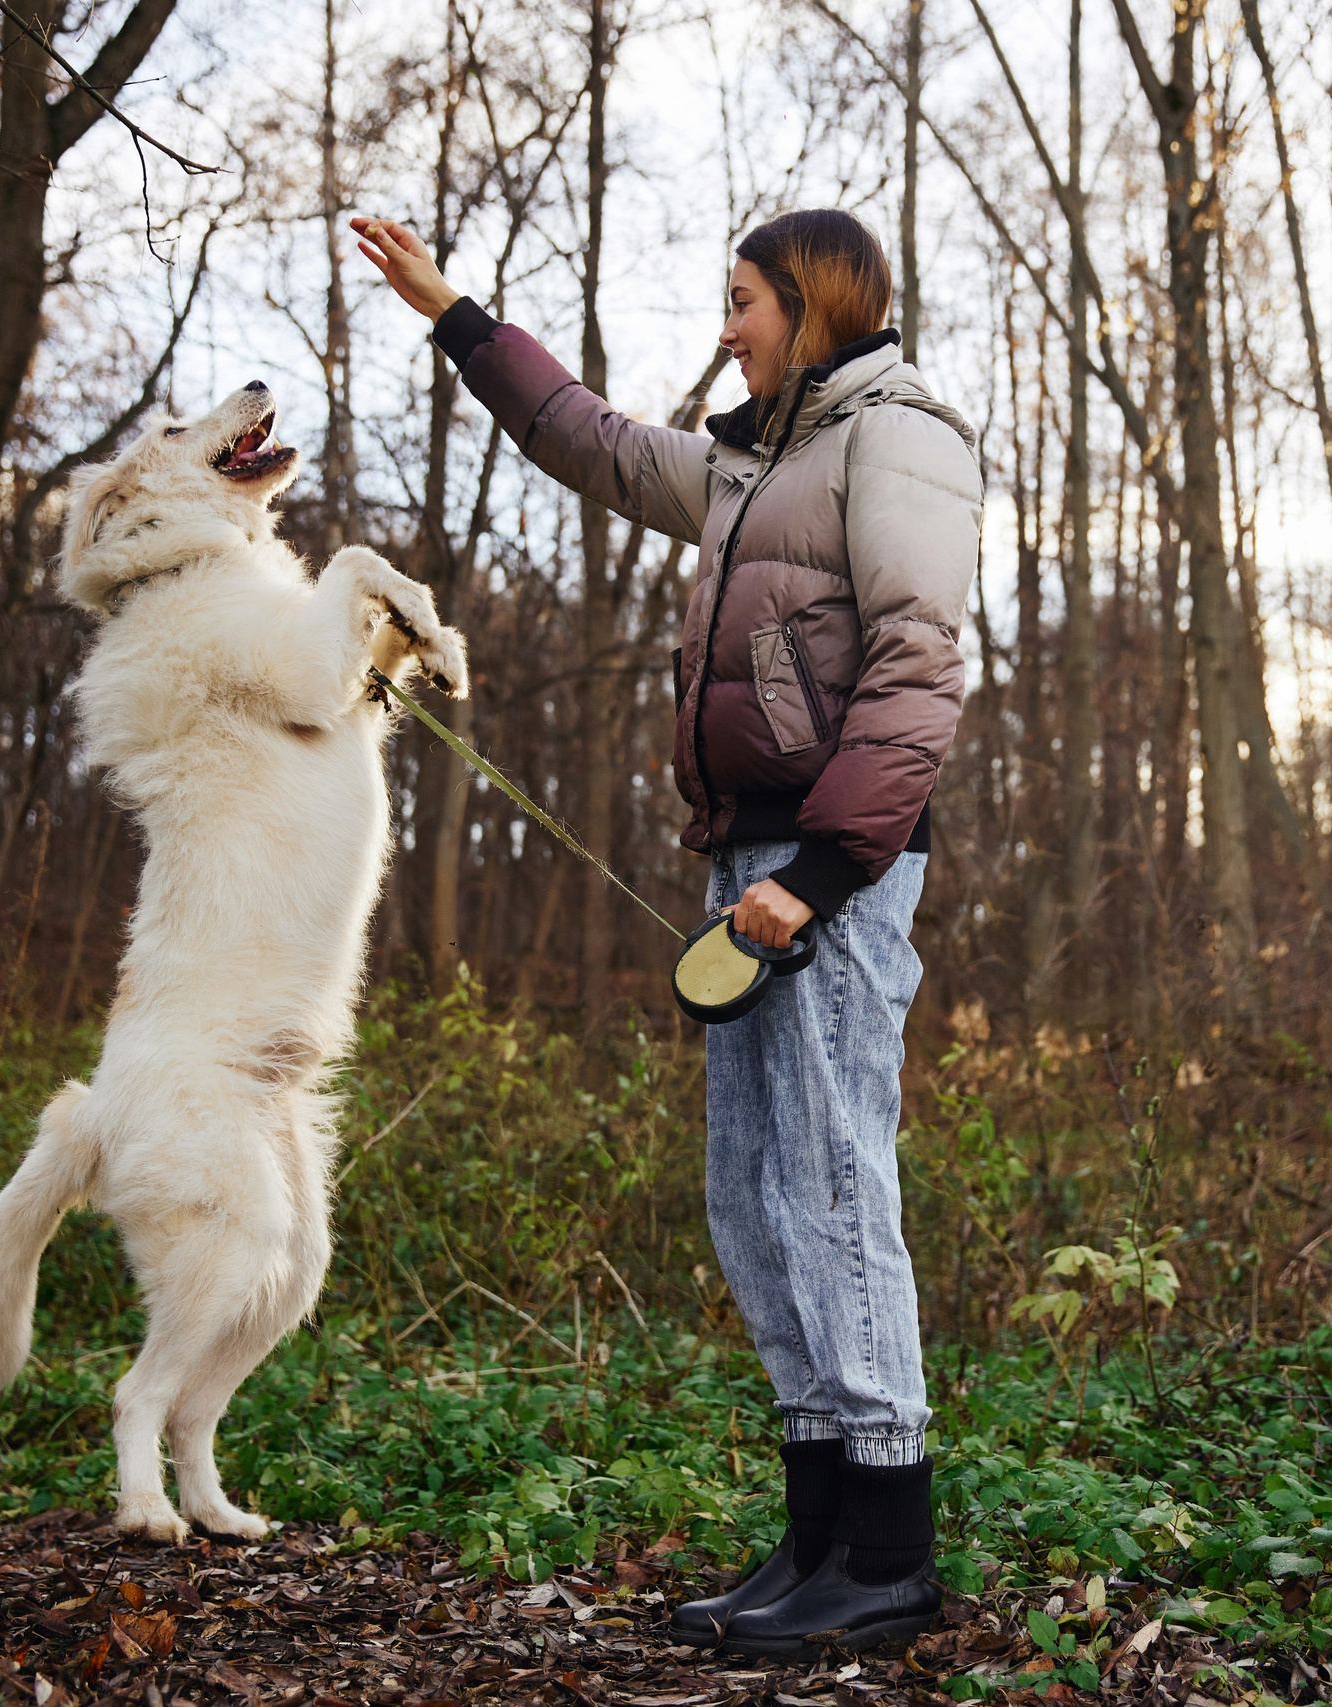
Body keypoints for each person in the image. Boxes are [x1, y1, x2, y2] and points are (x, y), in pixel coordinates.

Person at [354, 209, 982, 1657]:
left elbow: (918, 663)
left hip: (832, 873)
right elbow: (583, 436)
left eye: (745, 299)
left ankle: (891, 1550)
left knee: (831, 1183)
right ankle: (818, 1539)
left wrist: (820, 874)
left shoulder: (902, 434)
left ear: (816, 303)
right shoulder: (746, 463)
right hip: (748, 862)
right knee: (755, 1196)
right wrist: (457, 317)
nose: (726, 324)